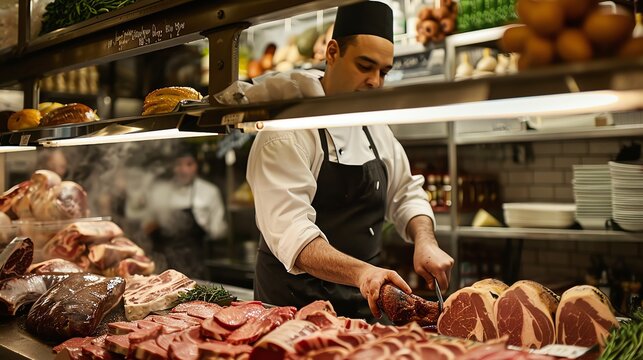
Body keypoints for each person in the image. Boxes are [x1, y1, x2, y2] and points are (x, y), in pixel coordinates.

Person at [222, 1, 454, 321]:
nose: (375, 82)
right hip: (292, 312)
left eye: (383, 72)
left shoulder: (373, 125)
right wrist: (363, 274)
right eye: (364, 65)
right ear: (332, 52)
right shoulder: (287, 131)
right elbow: (293, 234)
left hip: (363, 309)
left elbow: (405, 193)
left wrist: (425, 241)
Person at [144, 146, 227, 279]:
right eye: (178, 164)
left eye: (189, 164)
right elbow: (147, 228)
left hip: (196, 266)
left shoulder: (209, 191)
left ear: (196, 166)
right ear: (172, 166)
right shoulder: (160, 191)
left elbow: (218, 231)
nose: (183, 170)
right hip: (163, 267)